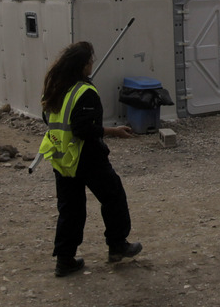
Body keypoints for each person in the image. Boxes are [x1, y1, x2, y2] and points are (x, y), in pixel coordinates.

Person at [38, 41, 143, 277]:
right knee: (113, 196)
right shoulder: (84, 92)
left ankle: (65, 260)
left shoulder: (55, 88)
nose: (92, 65)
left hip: (61, 157)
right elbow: (82, 129)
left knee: (70, 209)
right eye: (90, 61)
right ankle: (117, 245)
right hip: (86, 157)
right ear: (83, 65)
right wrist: (112, 131)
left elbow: (49, 120)